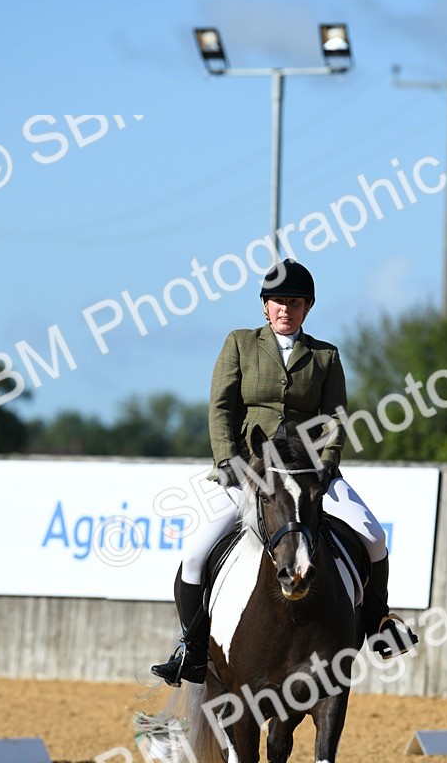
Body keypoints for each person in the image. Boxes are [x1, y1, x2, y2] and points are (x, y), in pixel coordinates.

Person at [151, 259, 415, 686]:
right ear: (264, 306)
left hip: (308, 471)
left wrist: (327, 462)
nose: (285, 309)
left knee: (373, 536)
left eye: (294, 302)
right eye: (277, 301)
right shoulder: (240, 344)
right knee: (197, 552)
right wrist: (227, 460)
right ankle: (191, 648)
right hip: (250, 471)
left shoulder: (325, 356)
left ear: (307, 307)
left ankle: (379, 623)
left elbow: (336, 417)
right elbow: (221, 407)